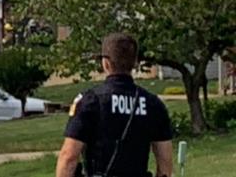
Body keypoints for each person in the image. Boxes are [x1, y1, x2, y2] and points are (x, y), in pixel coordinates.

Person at [56, 33, 173, 177]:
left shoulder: (91, 101)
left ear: (105, 63)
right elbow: (165, 164)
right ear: (135, 62)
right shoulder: (153, 105)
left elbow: (69, 157)